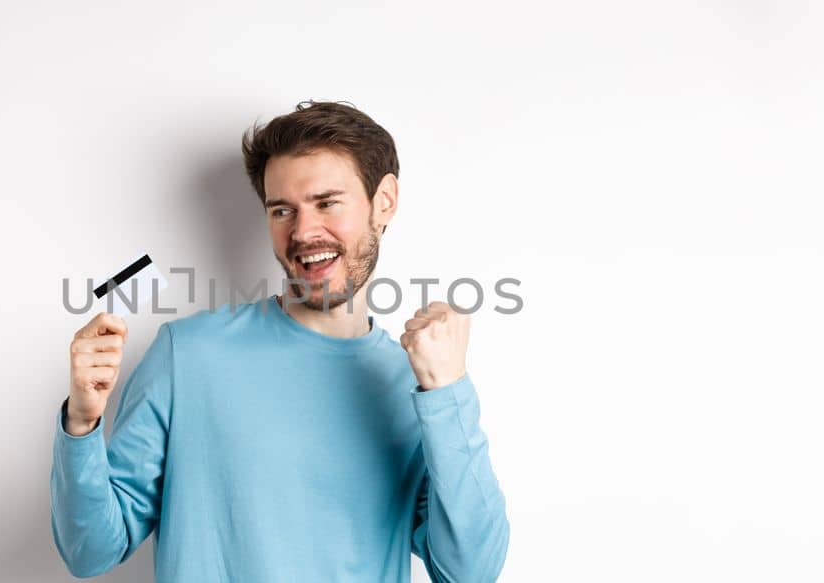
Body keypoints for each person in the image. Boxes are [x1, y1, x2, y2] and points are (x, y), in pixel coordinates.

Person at [50, 101, 510, 582]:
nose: (304, 231)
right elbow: (91, 551)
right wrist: (81, 425)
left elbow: (469, 573)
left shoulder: (418, 388)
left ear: (384, 201)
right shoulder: (187, 354)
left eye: (327, 202)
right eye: (283, 210)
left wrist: (448, 392)